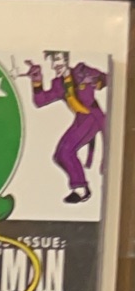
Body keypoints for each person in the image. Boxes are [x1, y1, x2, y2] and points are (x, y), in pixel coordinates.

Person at [27, 52, 107, 203]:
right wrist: (37, 81)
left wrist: (96, 81)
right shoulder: (59, 83)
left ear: (66, 59)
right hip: (81, 119)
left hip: (92, 117)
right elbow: (40, 101)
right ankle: (81, 186)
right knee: (59, 156)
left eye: (58, 59)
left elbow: (109, 78)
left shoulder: (81, 71)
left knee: (66, 152)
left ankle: (81, 190)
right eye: (53, 61)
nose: (55, 65)